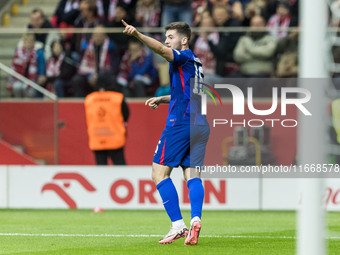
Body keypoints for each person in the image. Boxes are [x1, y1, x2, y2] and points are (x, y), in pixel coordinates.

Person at [122, 20, 210, 245]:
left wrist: (138, 35)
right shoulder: (197, 62)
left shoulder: (183, 56)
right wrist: (163, 99)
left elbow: (161, 51)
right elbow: (189, 95)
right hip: (200, 124)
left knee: (159, 173)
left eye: (171, 37)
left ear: (184, 40)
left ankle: (177, 225)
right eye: (166, 36)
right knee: (192, 174)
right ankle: (196, 219)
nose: (166, 41)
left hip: (180, 123)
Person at [84, 72, 129, 165]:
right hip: (115, 139)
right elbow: (126, 115)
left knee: (101, 173)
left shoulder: (89, 99)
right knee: (121, 170)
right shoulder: (118, 98)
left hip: (97, 139)